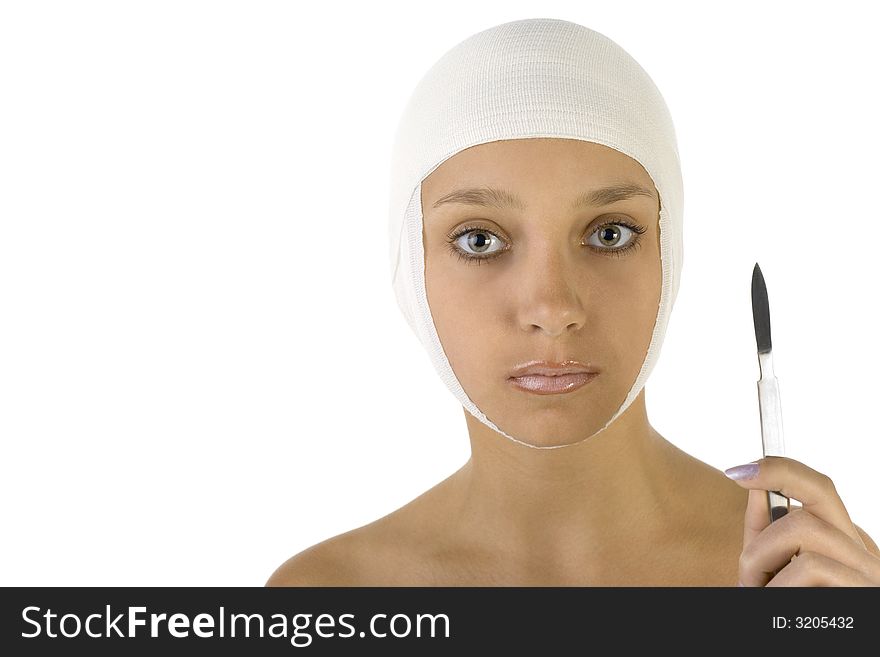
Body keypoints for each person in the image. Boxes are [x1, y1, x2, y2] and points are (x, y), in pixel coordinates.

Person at [266, 18, 880, 586]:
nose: (553, 307)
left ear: (670, 251)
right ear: (409, 264)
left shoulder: (817, 579)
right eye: (478, 240)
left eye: (609, 234)